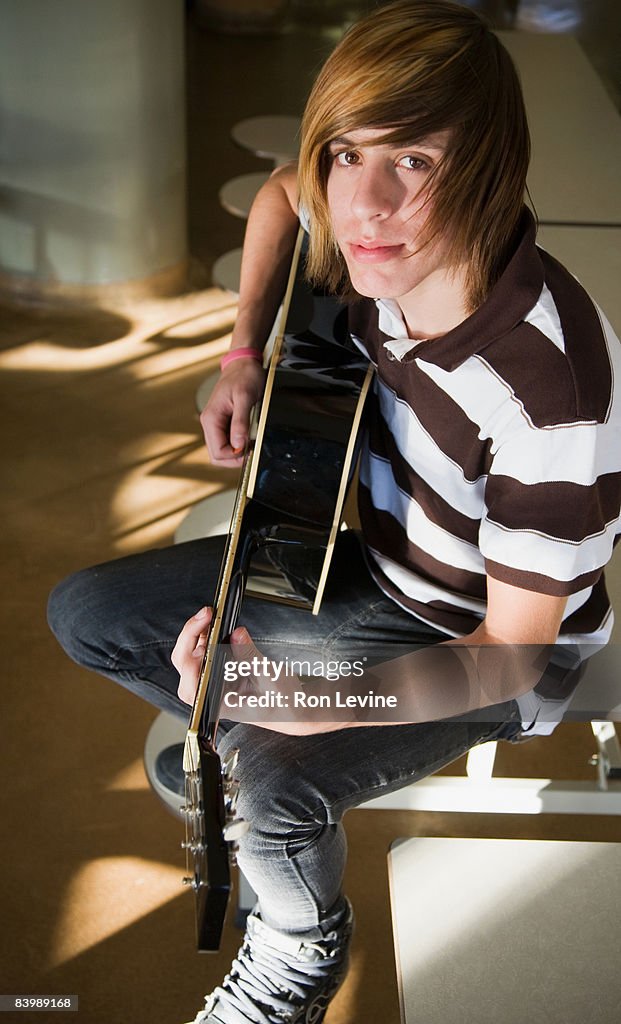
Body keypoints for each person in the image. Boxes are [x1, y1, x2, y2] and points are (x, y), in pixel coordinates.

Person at [48, 2, 621, 1022]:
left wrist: (300, 704)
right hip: (373, 562)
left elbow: (514, 656)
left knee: (273, 793)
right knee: (85, 614)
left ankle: (300, 950)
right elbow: (284, 193)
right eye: (348, 152)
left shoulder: (550, 392)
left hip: (490, 639)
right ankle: (248, 734)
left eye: (415, 162)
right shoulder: (363, 231)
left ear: (488, 166)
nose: (363, 206)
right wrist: (239, 355)